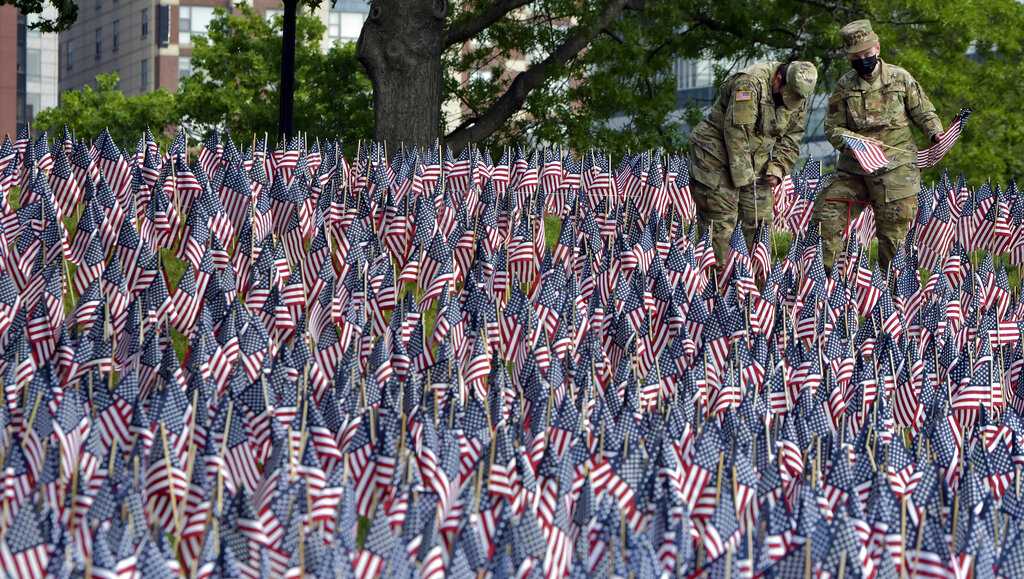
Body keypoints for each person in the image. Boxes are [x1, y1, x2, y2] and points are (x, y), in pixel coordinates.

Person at [812, 19, 944, 272]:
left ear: (878, 48)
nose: (863, 60)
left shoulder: (900, 78)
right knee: (825, 217)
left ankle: (892, 294)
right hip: (855, 171)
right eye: (856, 56)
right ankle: (823, 283)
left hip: (896, 171)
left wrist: (935, 133)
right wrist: (857, 144)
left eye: (867, 53)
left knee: (893, 237)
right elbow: (832, 128)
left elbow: (924, 113)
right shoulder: (844, 86)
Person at [689, 60, 817, 266]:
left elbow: (792, 138)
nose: (789, 102)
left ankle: (752, 291)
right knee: (721, 225)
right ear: (778, 80)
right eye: (787, 95)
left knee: (759, 225)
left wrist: (777, 167)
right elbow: (737, 135)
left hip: (755, 158)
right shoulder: (749, 83)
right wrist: (747, 182)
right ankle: (715, 289)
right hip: (716, 156)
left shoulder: (799, 93)